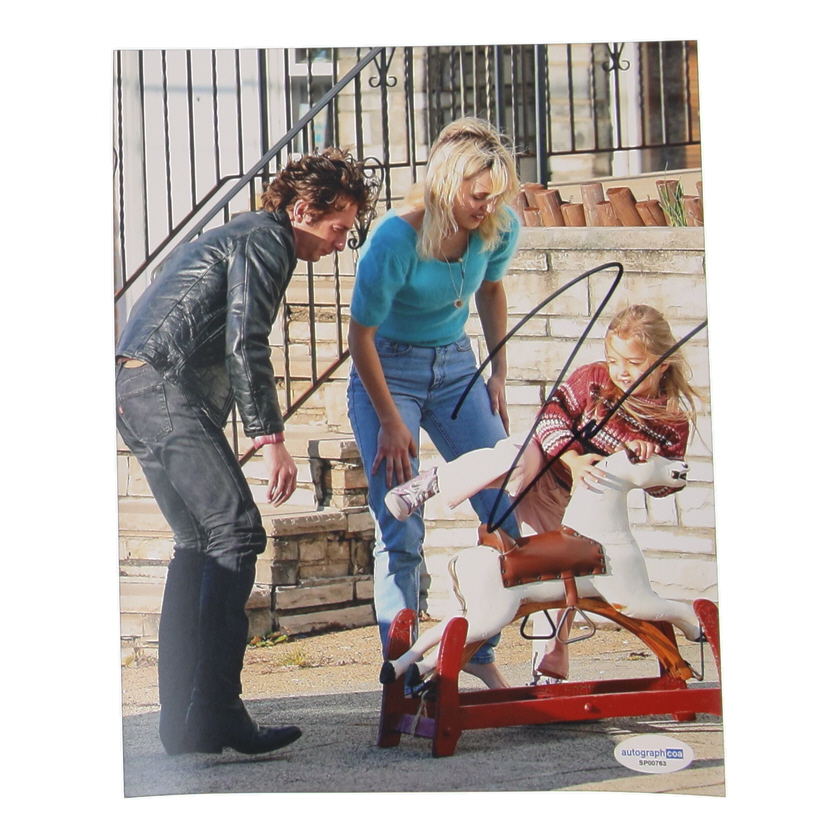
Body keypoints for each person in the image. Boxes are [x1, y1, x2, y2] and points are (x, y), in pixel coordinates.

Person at [115, 148, 376, 756]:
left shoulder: (250, 234)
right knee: (235, 533)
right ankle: (215, 712)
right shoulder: (266, 240)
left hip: (137, 388)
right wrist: (271, 439)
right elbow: (245, 340)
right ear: (304, 210)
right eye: (339, 227)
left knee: (199, 543)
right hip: (161, 389)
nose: (342, 243)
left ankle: (184, 724)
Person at [384, 303, 703, 681]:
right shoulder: (594, 379)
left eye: (633, 364)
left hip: (568, 498)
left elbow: (665, 484)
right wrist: (574, 459)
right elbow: (551, 419)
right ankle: (433, 482)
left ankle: (547, 671)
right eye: (613, 360)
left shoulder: (669, 419)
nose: (621, 371)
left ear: (662, 364)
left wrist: (645, 459)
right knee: (516, 458)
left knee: (558, 577)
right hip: (545, 457)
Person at [347, 118, 522, 689]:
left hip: (455, 369)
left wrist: (498, 371)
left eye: (496, 196)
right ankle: (402, 674)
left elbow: (491, 290)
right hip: (387, 370)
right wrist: (390, 420)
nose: (488, 207)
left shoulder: (497, 228)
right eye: (479, 196)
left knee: (504, 506)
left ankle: (478, 649)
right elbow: (360, 336)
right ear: (447, 184)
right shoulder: (394, 240)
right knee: (400, 525)